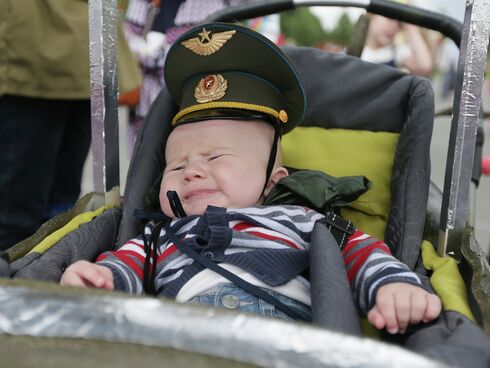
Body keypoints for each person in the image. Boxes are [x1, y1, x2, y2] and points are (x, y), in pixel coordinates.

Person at [61, 22, 442, 335]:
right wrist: (103, 276)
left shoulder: (303, 221)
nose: (191, 170)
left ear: (272, 180)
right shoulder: (157, 237)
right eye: (175, 166)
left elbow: (363, 253)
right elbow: (124, 265)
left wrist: (394, 286)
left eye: (216, 157)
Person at [0, 0, 92, 257]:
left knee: (62, 208)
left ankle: (38, 286)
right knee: (14, 209)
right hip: (33, 44)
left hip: (85, 49)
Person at [123, 0, 254, 151]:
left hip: (196, 108)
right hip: (145, 111)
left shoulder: (218, 4)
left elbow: (207, 54)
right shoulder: (143, 3)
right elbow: (128, 44)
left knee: (192, 161)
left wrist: (150, 55)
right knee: (145, 166)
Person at [361, 13, 432, 77]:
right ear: (372, 16)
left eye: (400, 24)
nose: (394, 27)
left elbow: (424, 66)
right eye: (389, 18)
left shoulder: (397, 53)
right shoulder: (354, 51)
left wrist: (411, 27)